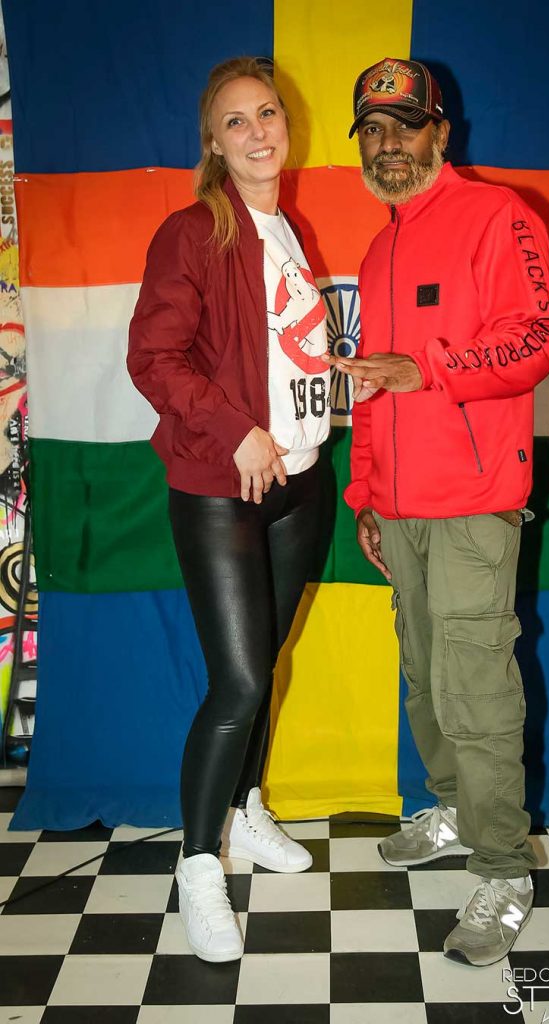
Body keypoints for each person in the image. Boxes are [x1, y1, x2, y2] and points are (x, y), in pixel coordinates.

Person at [326, 57, 549, 967]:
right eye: (373, 130)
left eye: (405, 125)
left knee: (475, 687)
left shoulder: (499, 215)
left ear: (440, 133)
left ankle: (504, 867)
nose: (388, 144)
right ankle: (457, 811)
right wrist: (365, 494)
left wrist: (428, 367)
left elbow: (534, 341)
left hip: (471, 501)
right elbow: (372, 388)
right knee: (425, 676)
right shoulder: (378, 248)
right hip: (401, 507)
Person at [128, 57, 330, 963]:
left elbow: (281, 352)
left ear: (287, 125)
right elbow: (154, 358)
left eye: (268, 113)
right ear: (213, 142)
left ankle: (246, 811)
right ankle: (198, 864)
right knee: (240, 682)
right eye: (236, 121)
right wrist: (236, 430)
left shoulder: (289, 229)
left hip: (300, 481)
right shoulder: (192, 231)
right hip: (222, 484)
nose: (257, 132)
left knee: (268, 663)